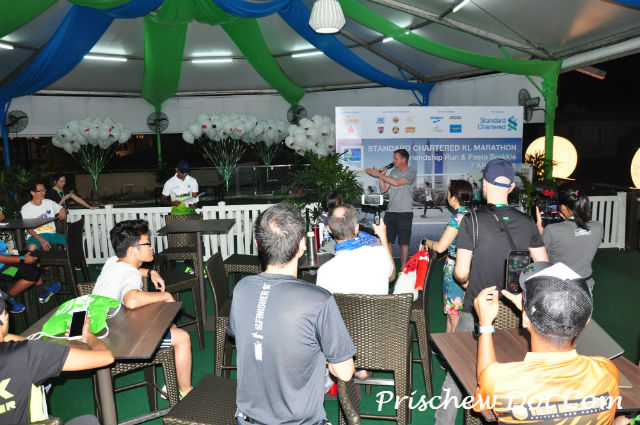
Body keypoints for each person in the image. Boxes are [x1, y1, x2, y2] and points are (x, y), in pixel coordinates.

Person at [435, 159, 549, 425]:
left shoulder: (471, 221)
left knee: (457, 369)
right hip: (516, 310)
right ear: (511, 187)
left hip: (478, 309)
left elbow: (460, 273)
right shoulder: (527, 223)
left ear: (484, 184)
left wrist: (469, 285)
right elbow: (544, 268)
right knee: (514, 366)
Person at [228, 202, 356, 425]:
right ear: (302, 245)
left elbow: (246, 339)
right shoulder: (318, 300)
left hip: (246, 419)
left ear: (257, 244)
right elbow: (345, 372)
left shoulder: (242, 288)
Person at [473, 262, 620, 424]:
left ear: (524, 319)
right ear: (586, 323)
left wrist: (485, 324)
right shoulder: (607, 371)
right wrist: (530, 314)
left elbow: (484, 379)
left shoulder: (499, 380)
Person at [92, 219, 193, 397]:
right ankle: (184, 391)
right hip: (115, 339)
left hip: (98, 329)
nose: (152, 246)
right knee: (183, 337)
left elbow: (129, 271)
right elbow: (131, 300)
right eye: (147, 243)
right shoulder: (130, 273)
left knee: (170, 325)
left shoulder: (112, 262)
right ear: (133, 250)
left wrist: (151, 272)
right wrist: (165, 296)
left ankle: (172, 380)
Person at [0, 289, 114, 425]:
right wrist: (88, 335)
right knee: (89, 421)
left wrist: (4, 335)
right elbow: (106, 357)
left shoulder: (27, 352)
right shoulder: (27, 354)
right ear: (3, 316)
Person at [421, 180, 473, 332]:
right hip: (470, 266)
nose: (447, 196)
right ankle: (446, 343)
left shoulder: (457, 218)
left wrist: (425, 241)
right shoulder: (472, 214)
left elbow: (440, 247)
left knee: (454, 316)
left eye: (449, 193)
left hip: (456, 268)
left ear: (454, 198)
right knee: (453, 313)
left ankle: (456, 345)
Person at [536, 183, 603, 291]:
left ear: (563, 207)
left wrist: (540, 234)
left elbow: (539, 258)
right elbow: (577, 238)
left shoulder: (552, 230)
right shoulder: (598, 227)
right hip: (585, 287)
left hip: (557, 288)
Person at [317, 204, 395, 295]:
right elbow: (391, 276)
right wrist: (383, 237)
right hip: (378, 305)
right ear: (357, 228)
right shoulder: (380, 254)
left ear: (329, 229)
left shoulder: (324, 271)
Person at [365, 148, 417, 267]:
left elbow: (397, 183)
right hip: (390, 212)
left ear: (404, 160)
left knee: (404, 243)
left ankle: (404, 270)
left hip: (405, 212)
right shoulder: (393, 172)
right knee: (387, 241)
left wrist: (378, 174)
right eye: (393, 158)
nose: (393, 161)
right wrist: (381, 176)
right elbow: (383, 190)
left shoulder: (411, 172)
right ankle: (391, 267)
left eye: (396, 159)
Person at [21, 180, 67, 251]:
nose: (44, 193)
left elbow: (61, 208)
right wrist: (42, 240)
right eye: (41, 191)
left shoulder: (49, 202)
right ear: (33, 193)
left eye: (44, 190)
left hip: (52, 234)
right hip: (36, 236)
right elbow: (28, 228)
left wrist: (63, 209)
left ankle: (65, 257)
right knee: (32, 248)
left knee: (70, 240)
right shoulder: (26, 208)